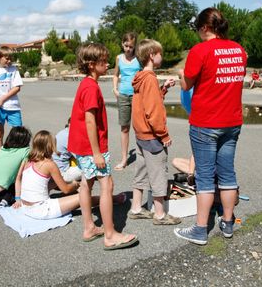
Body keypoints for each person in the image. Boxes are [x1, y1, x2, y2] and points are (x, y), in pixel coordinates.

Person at [174, 7, 247, 245]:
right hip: (232, 121)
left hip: (206, 122)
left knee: (205, 177)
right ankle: (227, 223)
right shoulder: (239, 50)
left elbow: (187, 85)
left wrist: (179, 75)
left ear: (205, 27)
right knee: (227, 173)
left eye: (197, 28)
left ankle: (200, 229)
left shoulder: (200, 50)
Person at [68, 43, 138, 250]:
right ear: (91, 65)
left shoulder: (86, 84)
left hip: (80, 145)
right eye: (103, 61)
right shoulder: (91, 87)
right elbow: (90, 121)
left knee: (86, 184)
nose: (108, 63)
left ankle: (89, 227)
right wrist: (97, 152)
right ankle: (110, 234)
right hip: (91, 147)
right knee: (106, 185)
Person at [13, 130, 126, 221]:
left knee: (53, 184)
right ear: (50, 146)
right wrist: (76, 185)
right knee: (83, 197)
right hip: (41, 210)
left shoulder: (28, 160)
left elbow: (22, 180)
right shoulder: (49, 164)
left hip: (25, 206)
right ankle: (113, 199)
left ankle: (110, 199)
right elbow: (66, 189)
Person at [128, 39, 181, 226]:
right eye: (160, 53)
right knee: (158, 172)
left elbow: (146, 103)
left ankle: (135, 208)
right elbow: (153, 111)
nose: (162, 56)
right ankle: (160, 214)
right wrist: (164, 135)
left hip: (141, 134)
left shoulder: (140, 77)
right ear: (152, 55)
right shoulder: (150, 79)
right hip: (152, 136)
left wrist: (164, 89)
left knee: (141, 170)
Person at [112, 32, 141, 171]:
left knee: (139, 127)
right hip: (123, 95)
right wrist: (115, 89)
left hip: (137, 95)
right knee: (124, 127)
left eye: (131, 46)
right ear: (122, 44)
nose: (128, 49)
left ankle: (142, 157)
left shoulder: (139, 58)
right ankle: (124, 159)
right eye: (126, 46)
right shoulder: (119, 58)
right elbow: (115, 75)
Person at [52, 118, 82, 183]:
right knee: (89, 167)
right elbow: (81, 157)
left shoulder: (63, 132)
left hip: (56, 170)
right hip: (63, 174)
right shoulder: (69, 137)